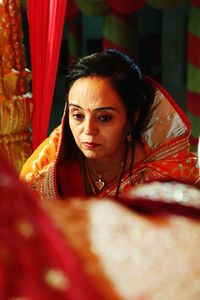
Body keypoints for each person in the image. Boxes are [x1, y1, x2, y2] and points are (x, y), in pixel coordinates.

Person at [20, 49, 199, 200]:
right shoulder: (45, 168)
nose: (88, 130)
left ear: (133, 117)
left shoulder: (167, 176)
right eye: (78, 115)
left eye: (104, 118)